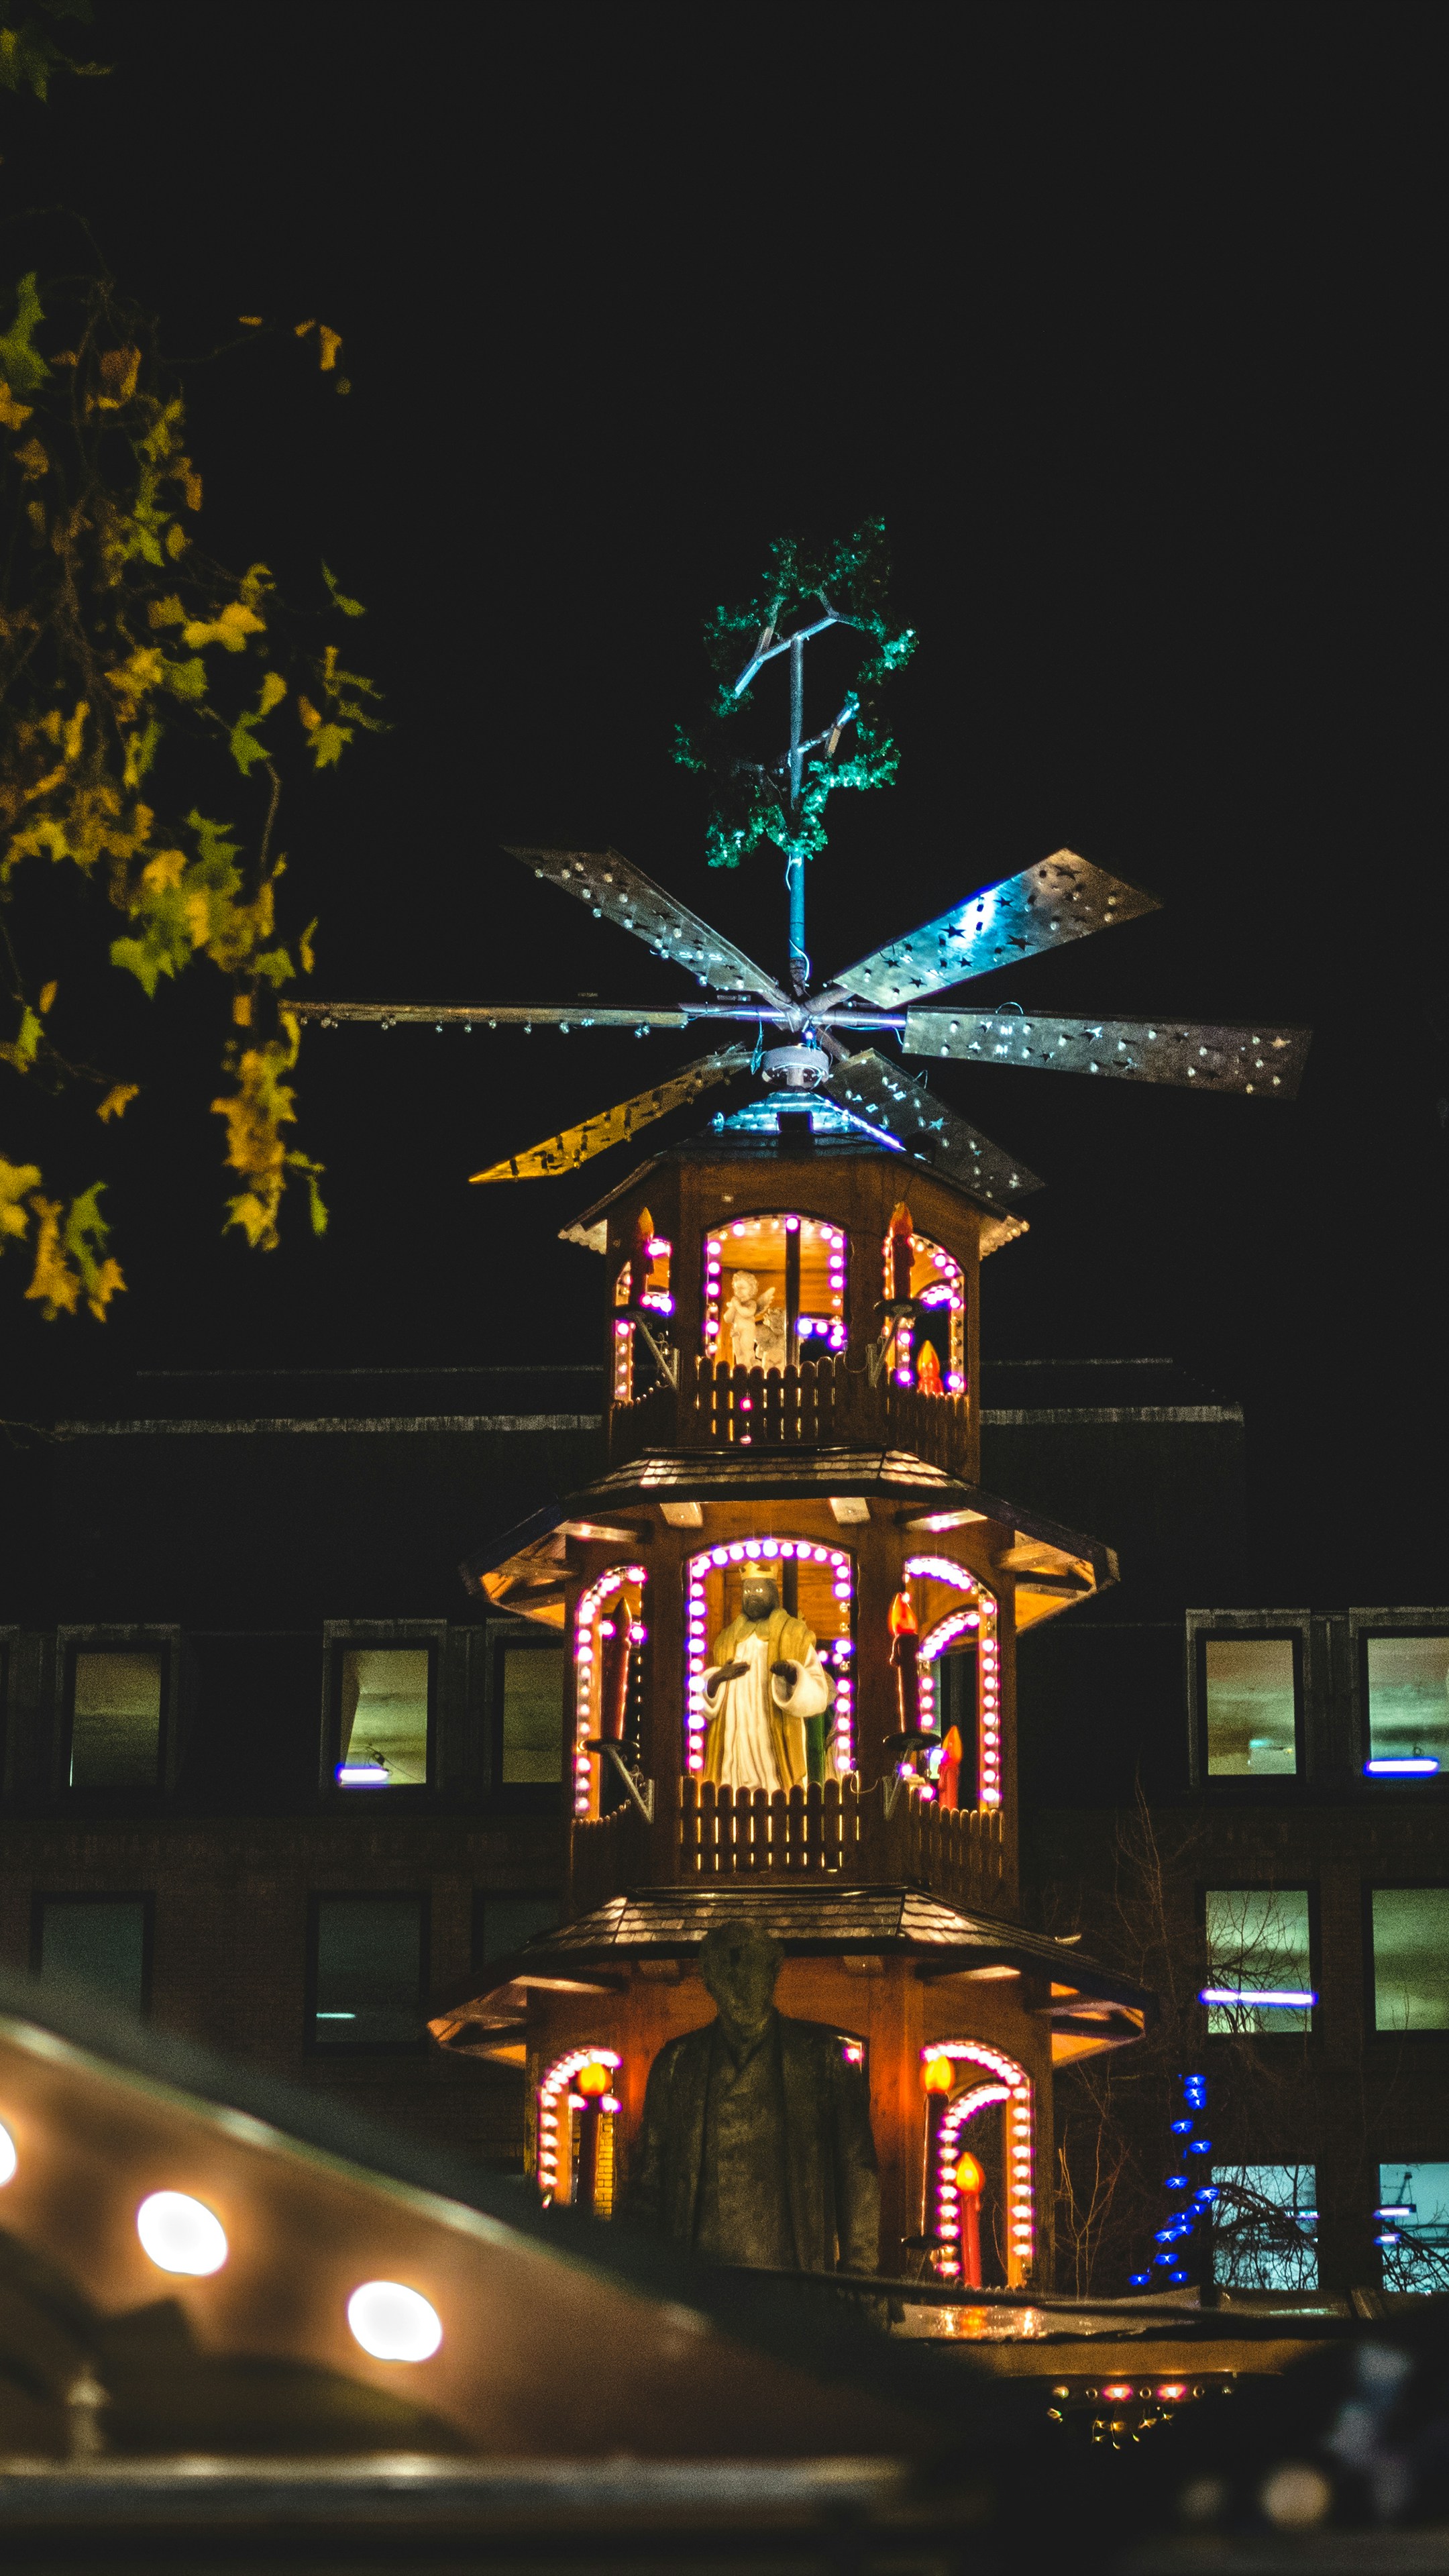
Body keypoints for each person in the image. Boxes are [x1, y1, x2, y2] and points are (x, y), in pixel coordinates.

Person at [628, 1921, 879, 2274]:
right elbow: (648, 2179)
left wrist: (860, 2270)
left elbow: (856, 2171)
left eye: (750, 1970)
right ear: (708, 1981)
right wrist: (638, 2269)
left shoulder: (824, 2062)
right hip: (697, 2279)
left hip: (792, 2279)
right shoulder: (676, 2065)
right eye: (726, 1973)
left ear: (774, 1969)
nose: (739, 1986)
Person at [702, 1569, 835, 1792]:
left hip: (772, 1741)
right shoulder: (726, 1640)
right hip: (734, 1742)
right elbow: (705, 1707)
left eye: (759, 1589)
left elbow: (820, 1695)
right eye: (747, 1589)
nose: (752, 1594)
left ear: (773, 1593)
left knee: (777, 1791)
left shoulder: (795, 1635)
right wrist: (716, 1680)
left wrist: (794, 1676)